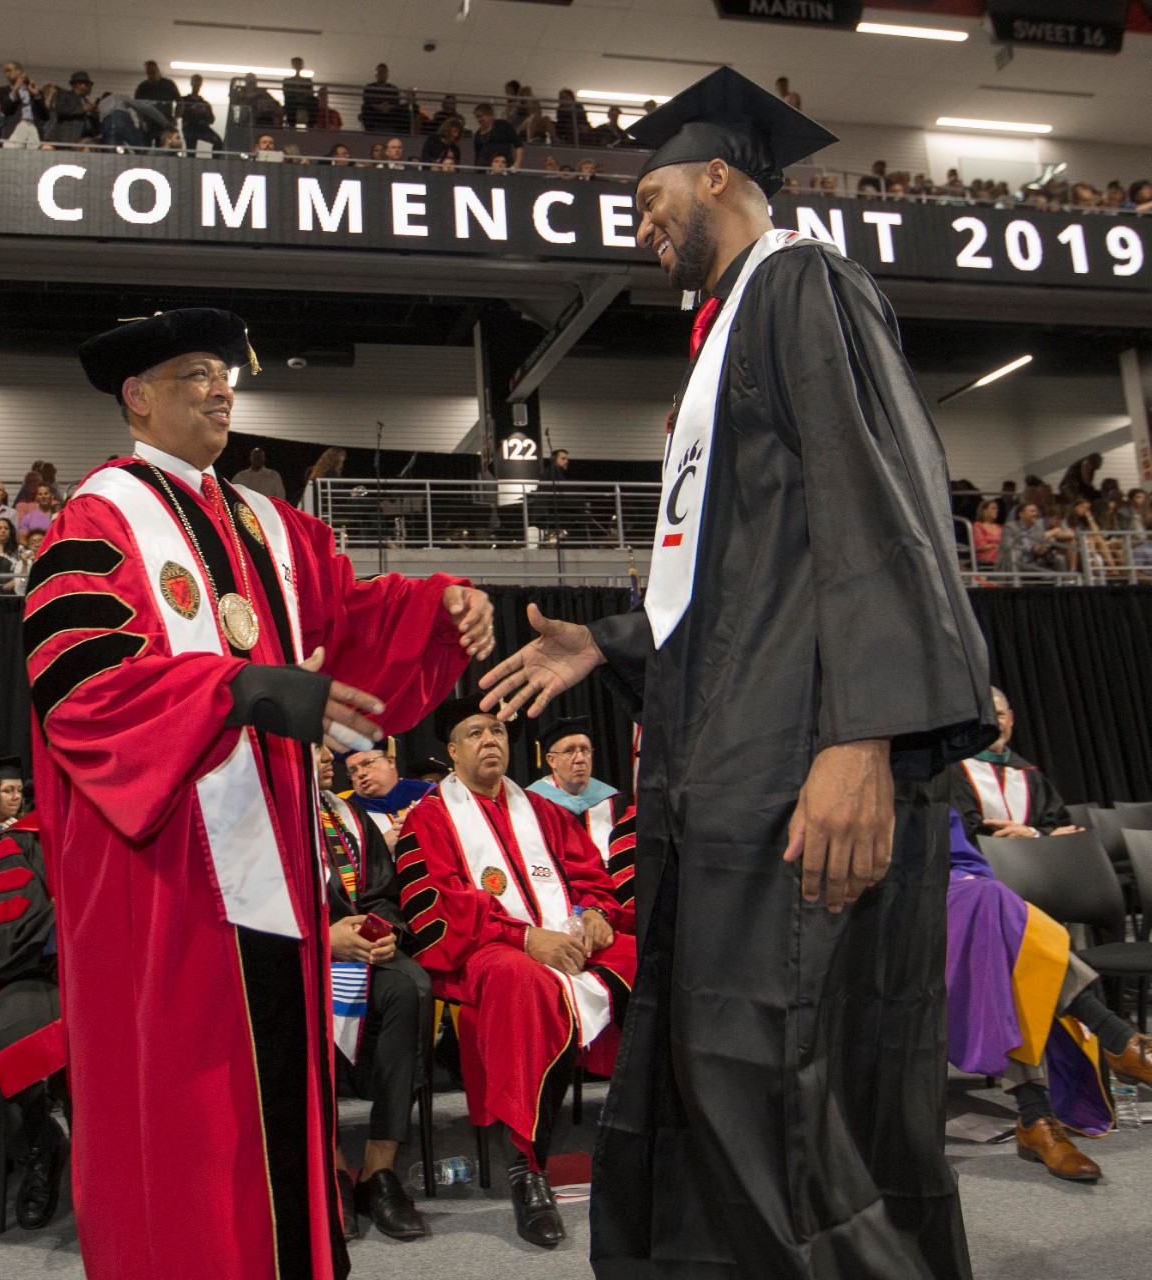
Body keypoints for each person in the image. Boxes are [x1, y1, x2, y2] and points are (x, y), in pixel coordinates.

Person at [480, 66, 993, 1280]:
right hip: (731, 782)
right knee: (723, 1085)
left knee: (800, 1113)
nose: (639, 219)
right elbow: (747, 584)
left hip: (799, 778)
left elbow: (881, 513)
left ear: (720, 174)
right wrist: (606, 640)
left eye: (651, 192)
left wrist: (863, 739)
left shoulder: (803, 285)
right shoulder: (722, 341)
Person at [25, 308, 492, 1280]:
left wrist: (437, 606)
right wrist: (234, 686)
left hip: (273, 873)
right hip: (167, 880)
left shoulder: (268, 526)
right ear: (137, 397)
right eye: (193, 372)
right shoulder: (98, 518)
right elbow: (80, 689)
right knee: (186, 1129)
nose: (221, 386)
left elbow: (347, 629)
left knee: (276, 1115)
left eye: (225, 371)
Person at [396, 694, 636, 1249]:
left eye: (499, 732)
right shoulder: (430, 818)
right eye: (476, 733)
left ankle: (646, 1134)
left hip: (566, 938)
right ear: (452, 749)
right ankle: (527, 1169)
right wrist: (526, 937)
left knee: (637, 954)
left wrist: (597, 914)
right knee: (519, 980)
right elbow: (438, 906)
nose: (490, 741)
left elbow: (588, 874)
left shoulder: (544, 810)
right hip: (482, 952)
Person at [946, 810, 1152, 1180]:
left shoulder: (918, 787)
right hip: (880, 920)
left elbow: (966, 858)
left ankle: (1036, 1117)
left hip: (961, 910)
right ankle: (1119, 1039)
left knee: (993, 921)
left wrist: (1033, 831)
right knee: (991, 911)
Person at [316, 747, 430, 1243]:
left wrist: (387, 933)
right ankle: (335, 1169)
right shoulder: (264, 816)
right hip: (299, 951)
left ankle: (379, 1171)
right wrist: (323, 937)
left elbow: (384, 891)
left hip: (362, 947)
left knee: (412, 987)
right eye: (314, 744)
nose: (327, 756)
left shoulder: (348, 814)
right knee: (287, 1004)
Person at [0, 785, 70, 1230]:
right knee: (2, 1044)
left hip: (132, 983)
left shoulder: (143, 827)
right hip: (45, 978)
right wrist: (68, 919)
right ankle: (41, 1146)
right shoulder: (18, 842)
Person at [948, 687, 1079, 842]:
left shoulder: (1028, 773)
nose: (994, 723)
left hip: (1041, 859)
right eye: (985, 716)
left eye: (1000, 715)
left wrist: (1034, 833)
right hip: (985, 861)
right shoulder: (953, 772)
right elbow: (960, 828)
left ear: (1011, 718)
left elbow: (1058, 823)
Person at [527, 715, 630, 868]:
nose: (580, 758)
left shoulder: (614, 801)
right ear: (551, 760)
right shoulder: (533, 802)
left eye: (585, 750)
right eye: (569, 751)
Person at [343, 740, 434, 850]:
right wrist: (381, 849)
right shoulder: (345, 813)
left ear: (390, 762)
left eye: (367, 763)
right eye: (353, 770)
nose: (361, 774)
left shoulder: (429, 795)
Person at [0, 59, 49, 147]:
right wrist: (15, 90)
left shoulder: (33, 90)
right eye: (5, 72)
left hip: (33, 129)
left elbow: (45, 115)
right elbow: (5, 110)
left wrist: (37, 96)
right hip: (14, 130)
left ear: (19, 71)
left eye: (9, 70)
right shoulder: (4, 91)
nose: (7, 74)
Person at [46, 71, 99, 144]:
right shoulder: (65, 95)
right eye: (87, 85)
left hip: (87, 140)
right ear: (78, 84)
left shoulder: (86, 101)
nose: (90, 88)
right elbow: (61, 110)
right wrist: (82, 109)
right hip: (70, 138)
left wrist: (94, 114)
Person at [134, 60, 180, 135]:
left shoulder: (168, 85)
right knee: (144, 144)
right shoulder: (142, 87)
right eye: (148, 73)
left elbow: (180, 102)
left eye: (153, 72)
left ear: (158, 71)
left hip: (165, 121)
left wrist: (176, 117)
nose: (151, 75)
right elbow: (138, 107)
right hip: (148, 122)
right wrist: (142, 121)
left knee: (164, 144)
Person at [471, 101, 521, 171]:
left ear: (490, 114)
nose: (479, 120)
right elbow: (477, 156)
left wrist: (518, 162)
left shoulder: (503, 125)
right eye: (477, 117)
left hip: (505, 167)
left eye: (481, 116)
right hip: (486, 171)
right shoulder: (477, 135)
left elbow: (518, 145)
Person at [360, 63, 405, 134]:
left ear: (387, 75)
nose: (381, 74)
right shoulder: (369, 87)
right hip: (374, 113)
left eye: (384, 72)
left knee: (401, 109)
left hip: (389, 113)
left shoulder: (393, 88)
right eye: (380, 72)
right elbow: (367, 101)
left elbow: (396, 103)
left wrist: (388, 107)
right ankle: (370, 131)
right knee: (365, 108)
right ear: (376, 74)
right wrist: (379, 107)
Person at [180, 75, 222, 150]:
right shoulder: (184, 100)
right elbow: (179, 113)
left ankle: (216, 161)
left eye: (198, 83)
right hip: (189, 128)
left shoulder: (205, 103)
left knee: (218, 142)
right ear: (191, 83)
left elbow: (211, 120)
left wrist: (205, 111)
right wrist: (191, 110)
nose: (196, 85)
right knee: (191, 149)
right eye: (195, 82)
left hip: (202, 127)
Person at [970, 498, 1002, 568]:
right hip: (985, 558)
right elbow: (980, 545)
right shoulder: (977, 526)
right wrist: (995, 546)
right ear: (984, 511)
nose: (996, 511)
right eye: (993, 508)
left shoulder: (999, 527)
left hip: (1000, 558)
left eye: (997, 509)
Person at [283, 56, 314, 127]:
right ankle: (291, 125)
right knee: (290, 100)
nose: (297, 66)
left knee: (313, 100)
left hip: (305, 101)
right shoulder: (287, 80)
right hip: (293, 101)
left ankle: (311, 125)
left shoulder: (308, 81)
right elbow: (286, 93)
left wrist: (302, 96)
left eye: (299, 64)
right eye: (296, 64)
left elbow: (310, 93)